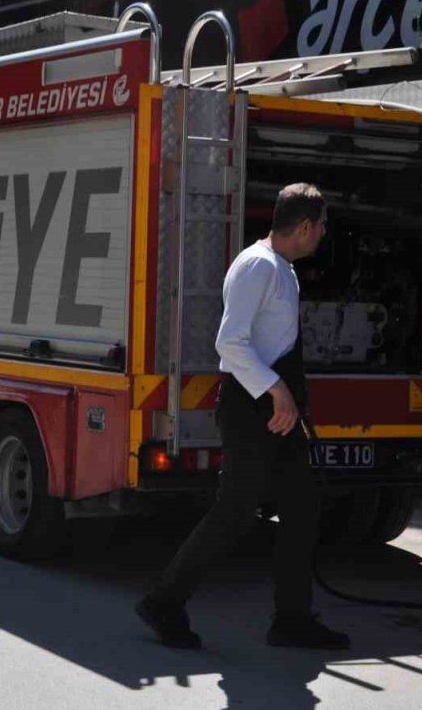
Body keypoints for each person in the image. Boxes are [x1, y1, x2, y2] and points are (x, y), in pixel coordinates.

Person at [135, 183, 349, 651]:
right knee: (234, 512)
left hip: (277, 409)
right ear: (306, 226)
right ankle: (164, 601)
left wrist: (285, 397)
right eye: (322, 227)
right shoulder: (258, 266)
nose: (323, 235)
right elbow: (229, 342)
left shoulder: (282, 269)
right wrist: (277, 392)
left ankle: (292, 618)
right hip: (252, 410)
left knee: (302, 506)